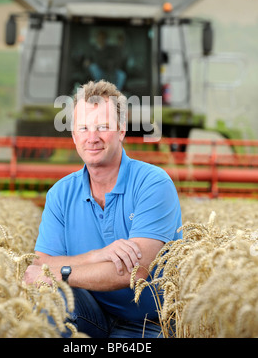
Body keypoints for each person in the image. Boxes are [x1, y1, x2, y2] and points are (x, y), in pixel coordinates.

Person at [24, 80, 182, 338]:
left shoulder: (153, 183)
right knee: (53, 299)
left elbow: (136, 272)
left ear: (121, 130)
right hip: (89, 314)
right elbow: (40, 268)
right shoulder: (60, 194)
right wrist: (97, 256)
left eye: (103, 127)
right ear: (74, 135)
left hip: (151, 324)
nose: (92, 137)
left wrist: (62, 271)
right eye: (84, 128)